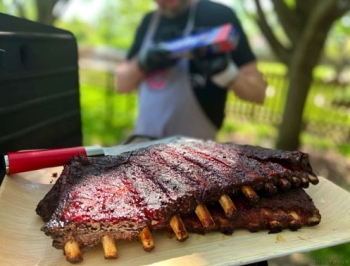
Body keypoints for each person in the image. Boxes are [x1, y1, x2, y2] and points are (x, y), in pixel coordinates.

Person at [115, 0, 267, 140]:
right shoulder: (149, 22)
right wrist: (141, 63)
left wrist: (227, 72)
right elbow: (121, 84)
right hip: (143, 146)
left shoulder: (218, 15)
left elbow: (258, 93)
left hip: (197, 153)